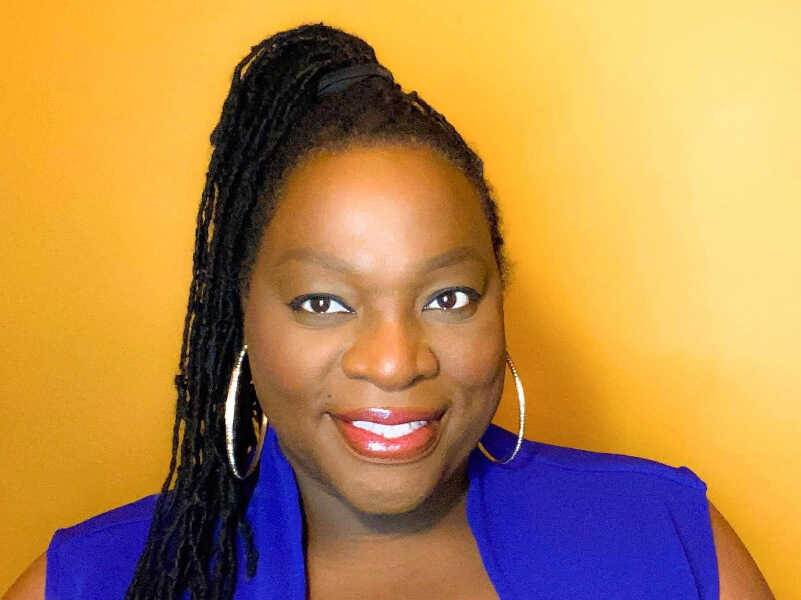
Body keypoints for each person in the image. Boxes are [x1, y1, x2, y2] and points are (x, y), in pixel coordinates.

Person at [4, 23, 773, 600]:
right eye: (322, 302)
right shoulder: (92, 582)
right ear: (242, 313)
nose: (395, 361)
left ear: (499, 299)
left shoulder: (669, 541)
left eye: (447, 297)